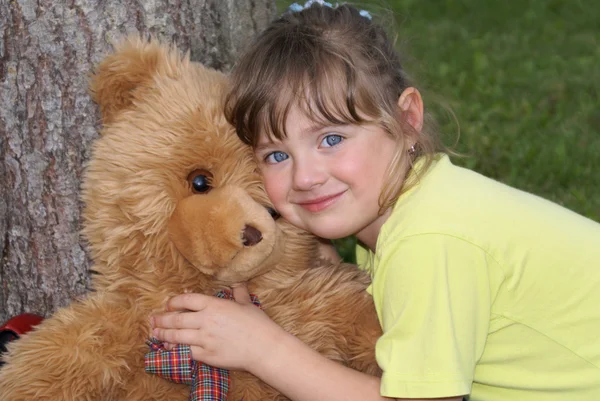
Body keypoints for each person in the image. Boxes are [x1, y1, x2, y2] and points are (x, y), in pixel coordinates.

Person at [150, 1, 600, 400]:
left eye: (331, 138)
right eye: (277, 154)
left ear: (406, 120)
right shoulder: (417, 203)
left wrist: (262, 347)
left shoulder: (429, 238)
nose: (305, 177)